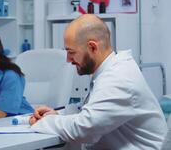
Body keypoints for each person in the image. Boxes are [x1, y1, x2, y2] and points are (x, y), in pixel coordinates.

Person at [29, 14, 167, 149]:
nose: (68, 60)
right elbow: (94, 114)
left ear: (93, 47)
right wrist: (58, 115)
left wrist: (44, 122)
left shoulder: (118, 78)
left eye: (71, 52)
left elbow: (85, 129)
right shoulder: (110, 71)